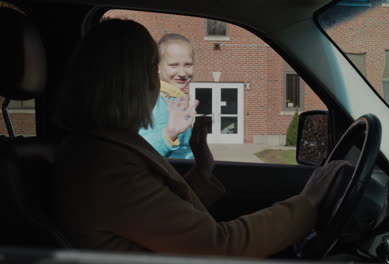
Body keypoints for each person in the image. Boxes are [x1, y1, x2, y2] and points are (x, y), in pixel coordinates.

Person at [53, 18, 351, 257]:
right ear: (133, 81)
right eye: (150, 68)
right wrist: (308, 203)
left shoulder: (103, 152)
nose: (156, 81)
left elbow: (162, 219)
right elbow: (218, 246)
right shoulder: (106, 168)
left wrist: (202, 170)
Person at [139, 33, 197, 159]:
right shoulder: (157, 103)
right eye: (174, 65)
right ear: (158, 67)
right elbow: (142, 151)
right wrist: (169, 135)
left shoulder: (176, 99)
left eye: (188, 65)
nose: (182, 73)